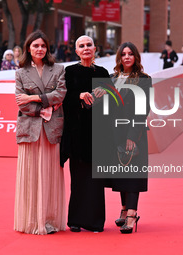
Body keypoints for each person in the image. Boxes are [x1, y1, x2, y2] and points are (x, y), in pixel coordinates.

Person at [14, 30, 67, 235]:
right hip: (30, 130)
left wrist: (33, 98)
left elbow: (60, 94)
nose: (40, 49)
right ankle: (30, 221)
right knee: (30, 176)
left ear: (47, 48)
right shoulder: (20, 72)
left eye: (43, 46)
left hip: (52, 130)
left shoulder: (59, 69)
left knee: (50, 175)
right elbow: (21, 103)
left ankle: (49, 220)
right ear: (29, 48)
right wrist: (44, 106)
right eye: (36, 46)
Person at [60, 35, 109, 233]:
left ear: (95, 48)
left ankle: (96, 222)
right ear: (76, 50)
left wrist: (105, 95)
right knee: (78, 178)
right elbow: (62, 98)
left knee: (96, 181)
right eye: (82, 46)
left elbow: (112, 102)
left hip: (98, 132)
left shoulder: (103, 72)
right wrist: (79, 96)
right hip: (77, 133)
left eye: (89, 45)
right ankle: (75, 221)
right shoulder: (69, 71)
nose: (86, 48)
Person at [108, 42, 152, 234]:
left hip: (134, 133)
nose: (127, 57)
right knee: (120, 172)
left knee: (132, 173)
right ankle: (125, 209)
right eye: (123, 54)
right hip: (115, 133)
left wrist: (132, 135)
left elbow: (143, 109)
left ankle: (132, 214)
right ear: (119, 58)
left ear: (136, 57)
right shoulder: (112, 78)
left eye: (130, 54)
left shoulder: (143, 79)